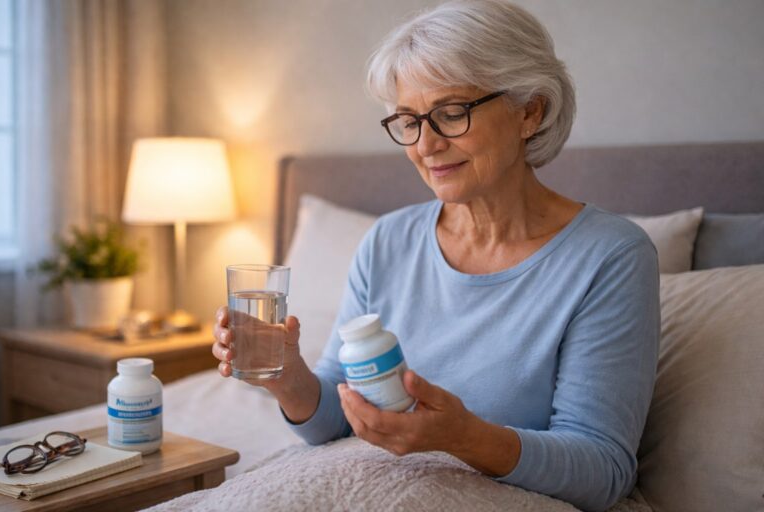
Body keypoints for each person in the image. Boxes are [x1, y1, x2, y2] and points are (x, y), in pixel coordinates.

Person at [212, 1, 659, 510]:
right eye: (409, 121)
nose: (426, 145)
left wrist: (464, 437)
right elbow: (335, 420)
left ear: (529, 112)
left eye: (451, 113)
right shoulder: (387, 241)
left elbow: (603, 470)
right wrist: (287, 376)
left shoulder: (610, 257)